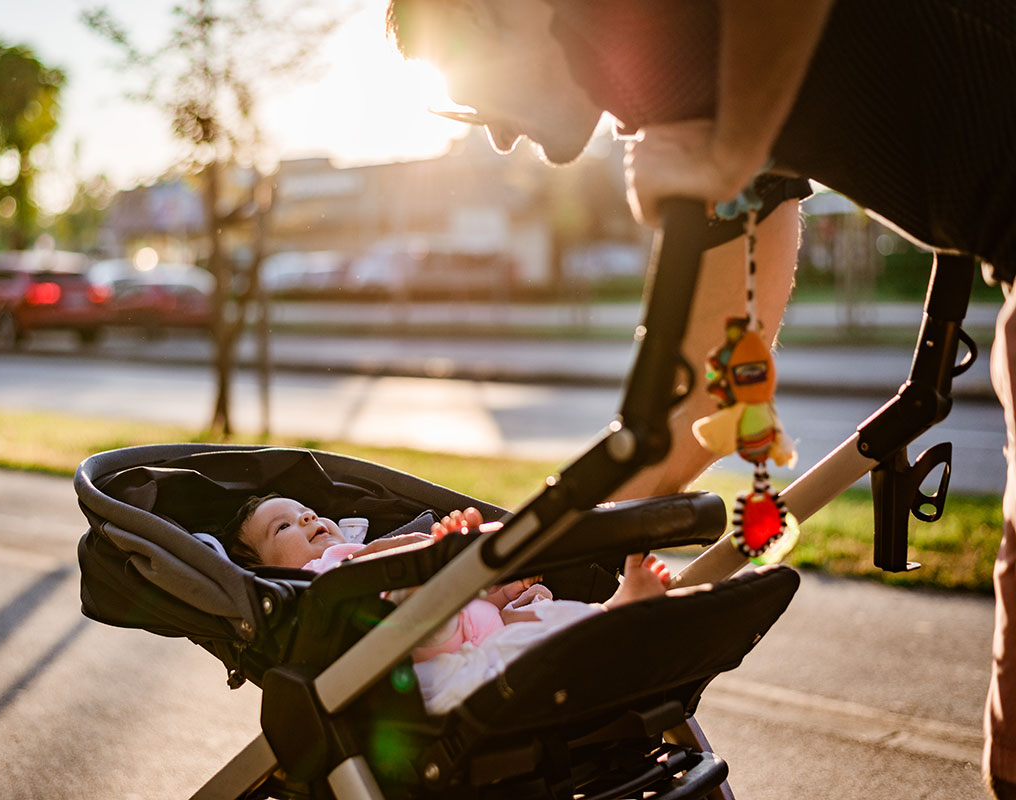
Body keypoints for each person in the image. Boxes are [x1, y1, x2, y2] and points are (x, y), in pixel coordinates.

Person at [384, 0, 1016, 795]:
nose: (500, 139)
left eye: (474, 101)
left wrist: (729, 144)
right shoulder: (671, 91)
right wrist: (521, 561)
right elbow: (691, 419)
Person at [220, 494, 673, 662]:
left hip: (468, 630)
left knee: (537, 619)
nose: (306, 518)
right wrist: (427, 547)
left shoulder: (351, 550)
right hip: (413, 640)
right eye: (283, 527)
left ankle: (610, 610)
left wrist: (505, 592)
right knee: (516, 631)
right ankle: (612, 610)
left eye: (307, 511)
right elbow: (376, 557)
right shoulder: (317, 578)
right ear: (269, 568)